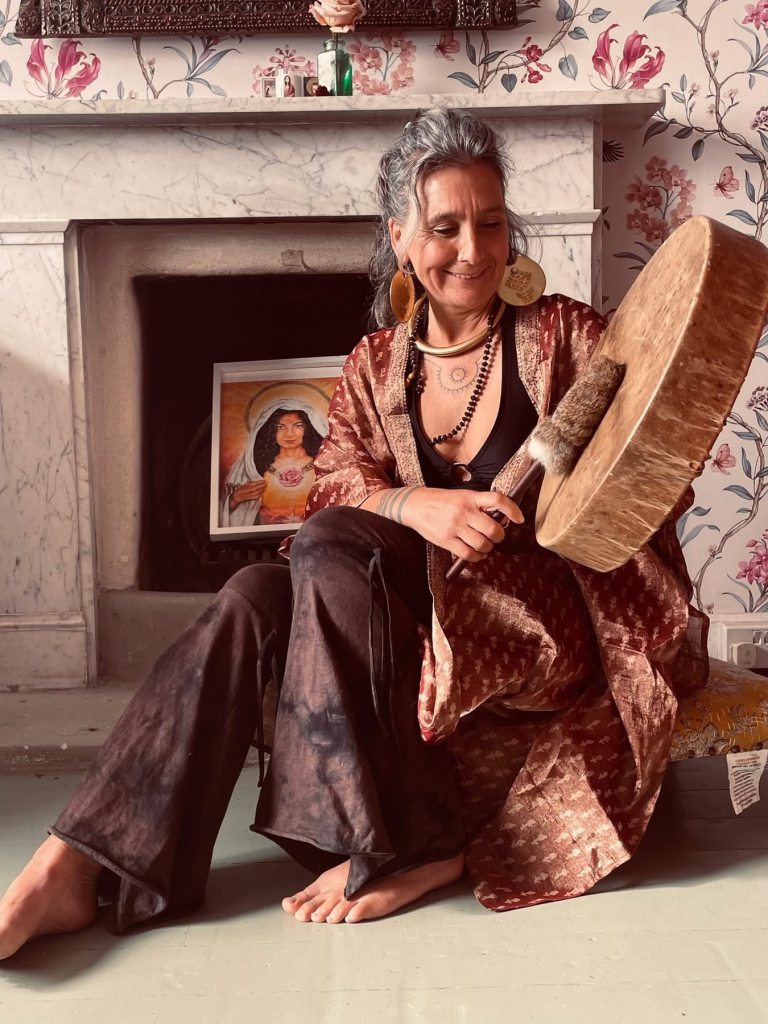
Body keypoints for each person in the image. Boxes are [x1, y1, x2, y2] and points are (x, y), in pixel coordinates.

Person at [0, 107, 708, 959]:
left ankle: (405, 844)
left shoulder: (562, 334)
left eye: (490, 223)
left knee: (333, 542)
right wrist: (417, 506)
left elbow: (647, 465)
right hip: (406, 605)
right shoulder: (375, 364)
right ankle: (75, 860)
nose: (473, 250)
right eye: (444, 228)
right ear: (400, 238)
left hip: (528, 612)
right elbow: (332, 485)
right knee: (253, 594)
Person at [220, 403, 325, 528]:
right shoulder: (254, 468)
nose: (289, 434)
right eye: (280, 427)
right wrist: (235, 499)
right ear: (270, 430)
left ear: (308, 428)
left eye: (298, 426)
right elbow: (225, 518)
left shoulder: (323, 465)